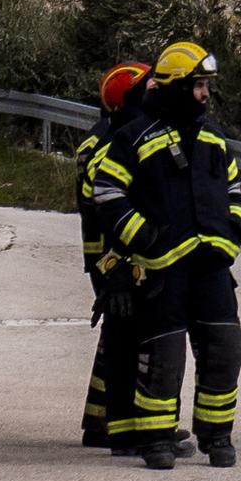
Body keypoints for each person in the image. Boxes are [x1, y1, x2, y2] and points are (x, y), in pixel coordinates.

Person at [107, 40, 241, 470]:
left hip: (212, 267)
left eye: (206, 85)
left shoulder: (214, 138)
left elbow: (233, 188)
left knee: (226, 350)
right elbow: (107, 192)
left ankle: (217, 436)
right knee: (162, 358)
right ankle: (156, 441)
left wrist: (236, 225)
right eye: (197, 85)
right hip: (163, 271)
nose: (205, 94)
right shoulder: (133, 137)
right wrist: (144, 238)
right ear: (173, 86)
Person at [77, 60, 153, 456]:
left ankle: (98, 420)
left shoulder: (106, 135)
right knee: (131, 334)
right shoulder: (111, 145)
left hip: (105, 257)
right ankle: (124, 422)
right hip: (112, 256)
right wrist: (115, 268)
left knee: (116, 334)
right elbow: (105, 206)